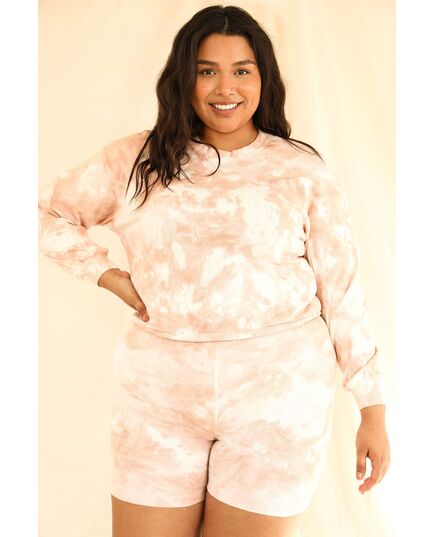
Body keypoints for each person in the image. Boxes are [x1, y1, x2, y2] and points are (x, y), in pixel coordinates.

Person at [38, 5, 391, 537]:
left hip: (277, 400)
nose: (225, 88)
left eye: (242, 70)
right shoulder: (136, 161)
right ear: (184, 78)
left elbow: (341, 293)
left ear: (264, 79)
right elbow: (47, 214)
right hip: (158, 401)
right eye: (207, 70)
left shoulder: (300, 170)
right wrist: (108, 276)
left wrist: (373, 410)